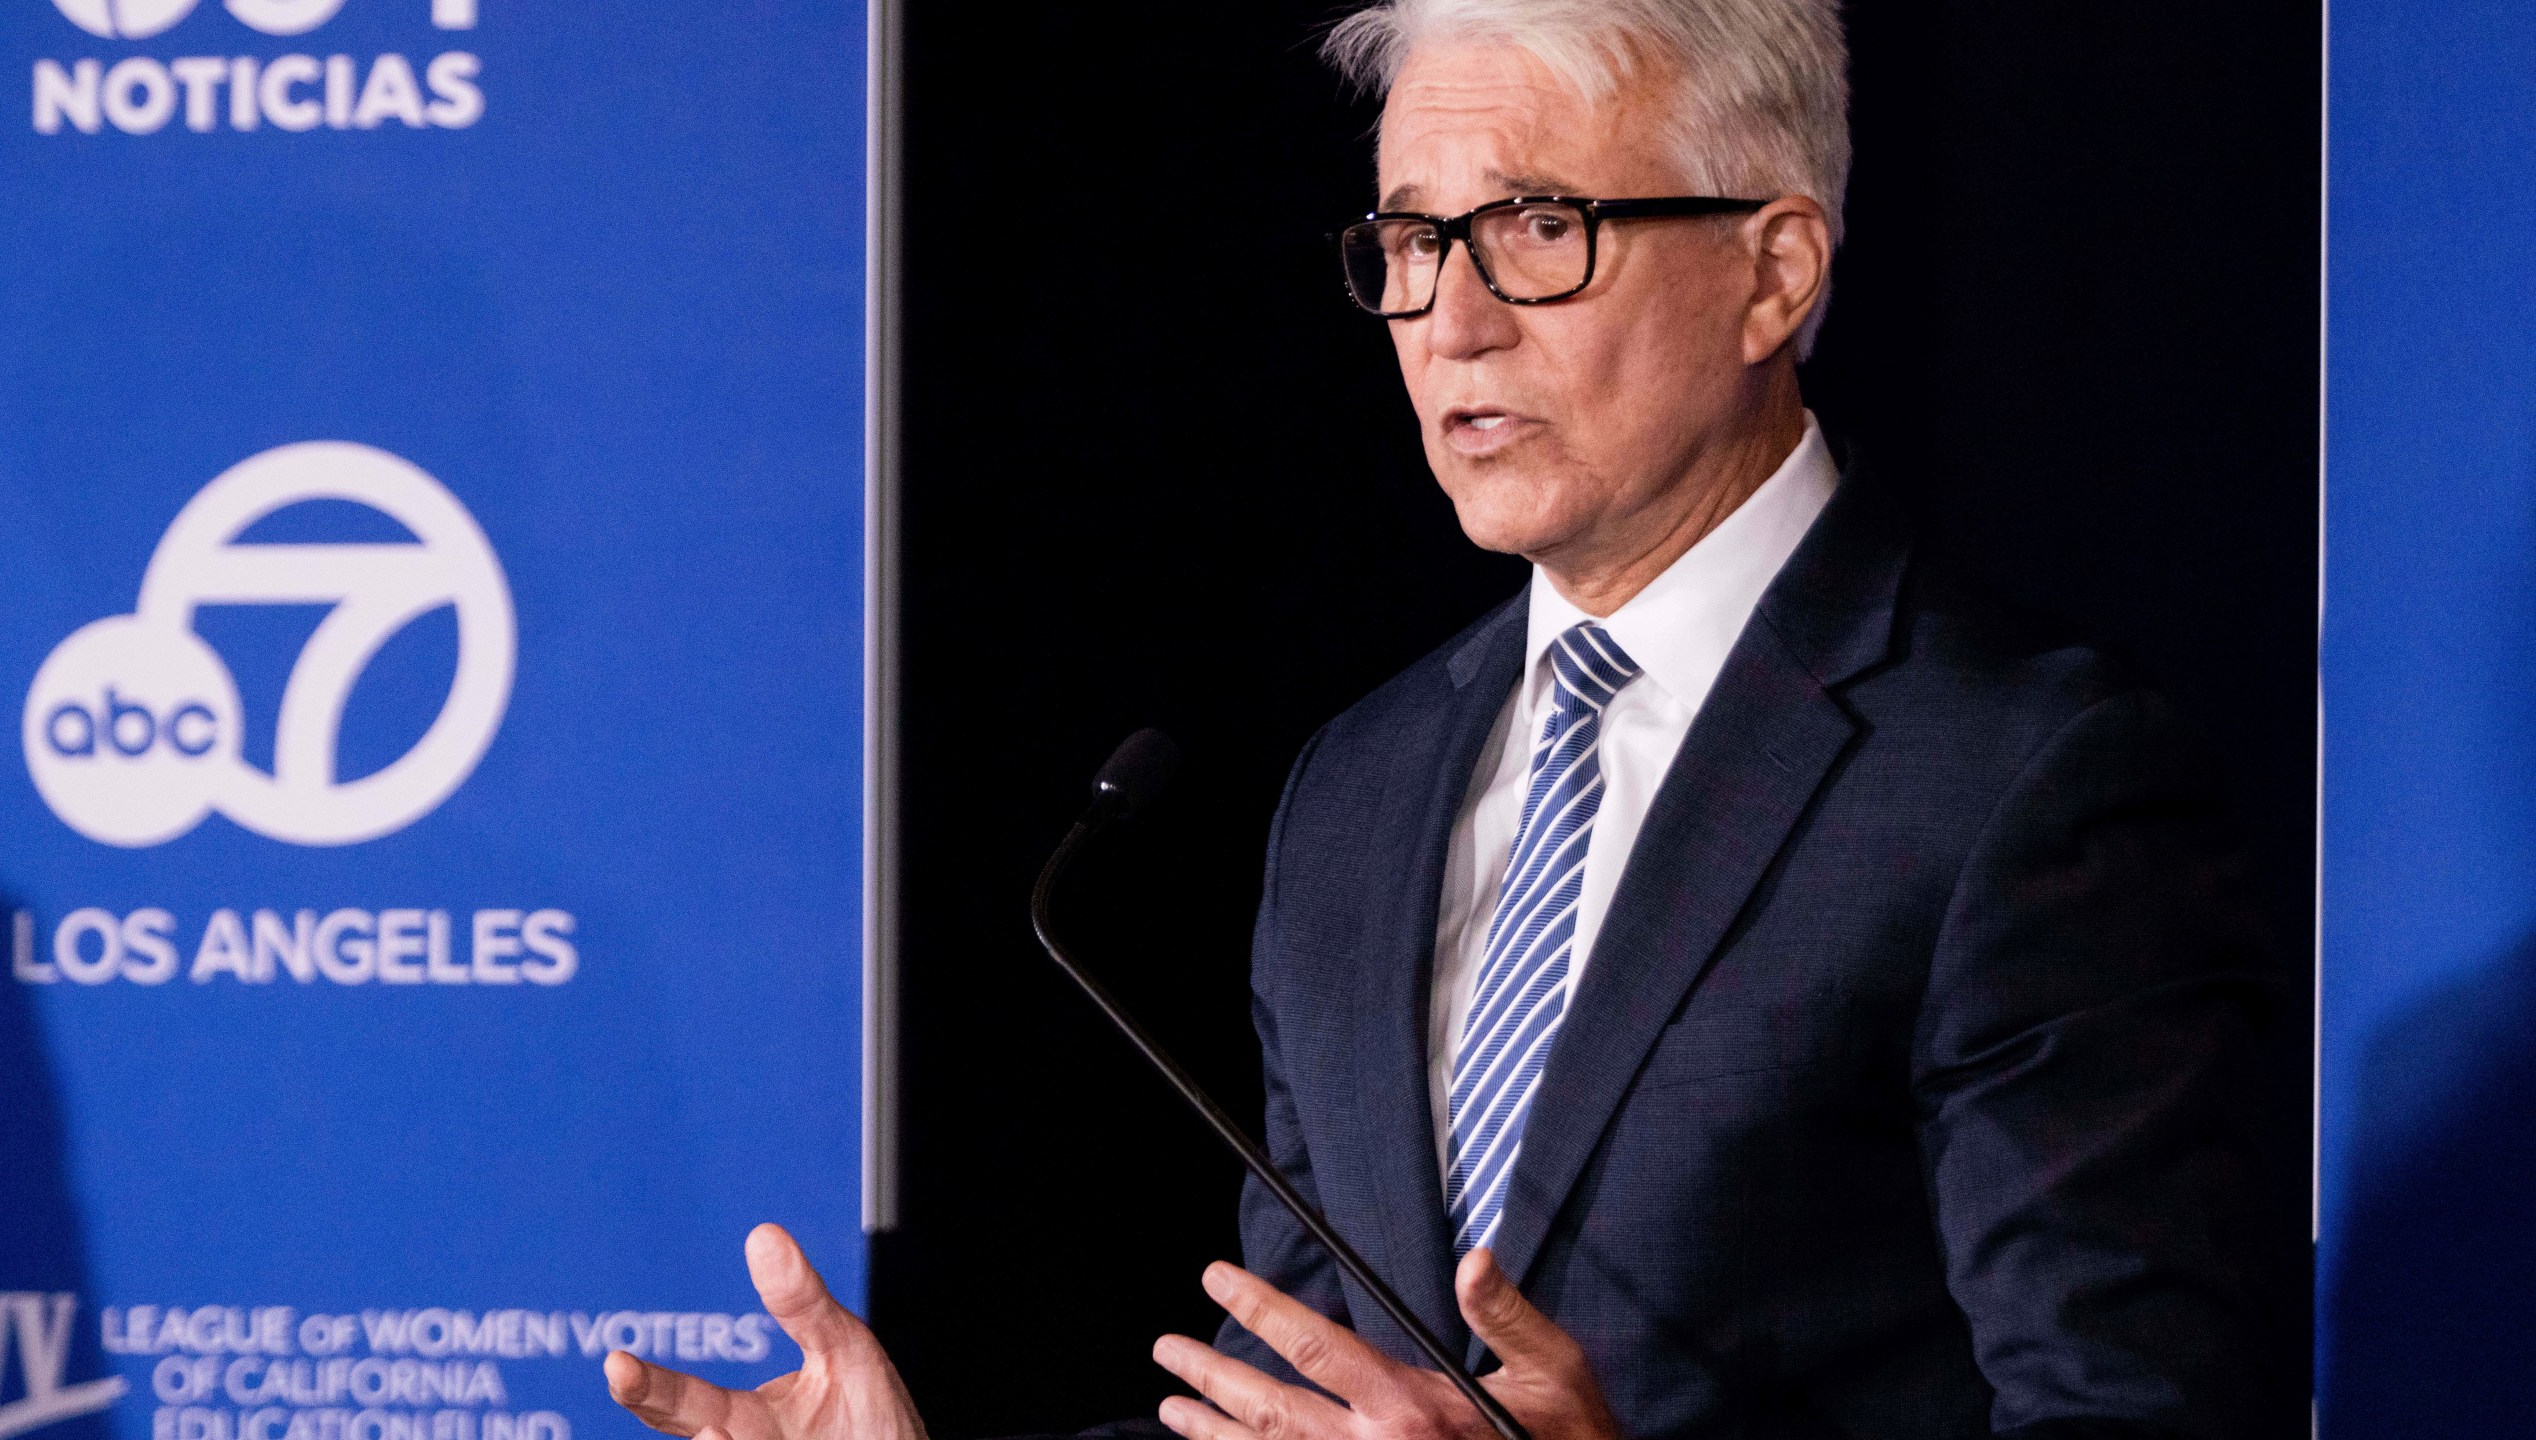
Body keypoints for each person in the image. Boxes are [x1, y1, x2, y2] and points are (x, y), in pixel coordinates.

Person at [605, 1, 2287, 1436]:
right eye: (1412, 243)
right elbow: (1311, 1407)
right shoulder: (1363, 782)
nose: (1452, 324)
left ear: (1774, 274)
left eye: (1540, 228)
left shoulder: (2022, 776)